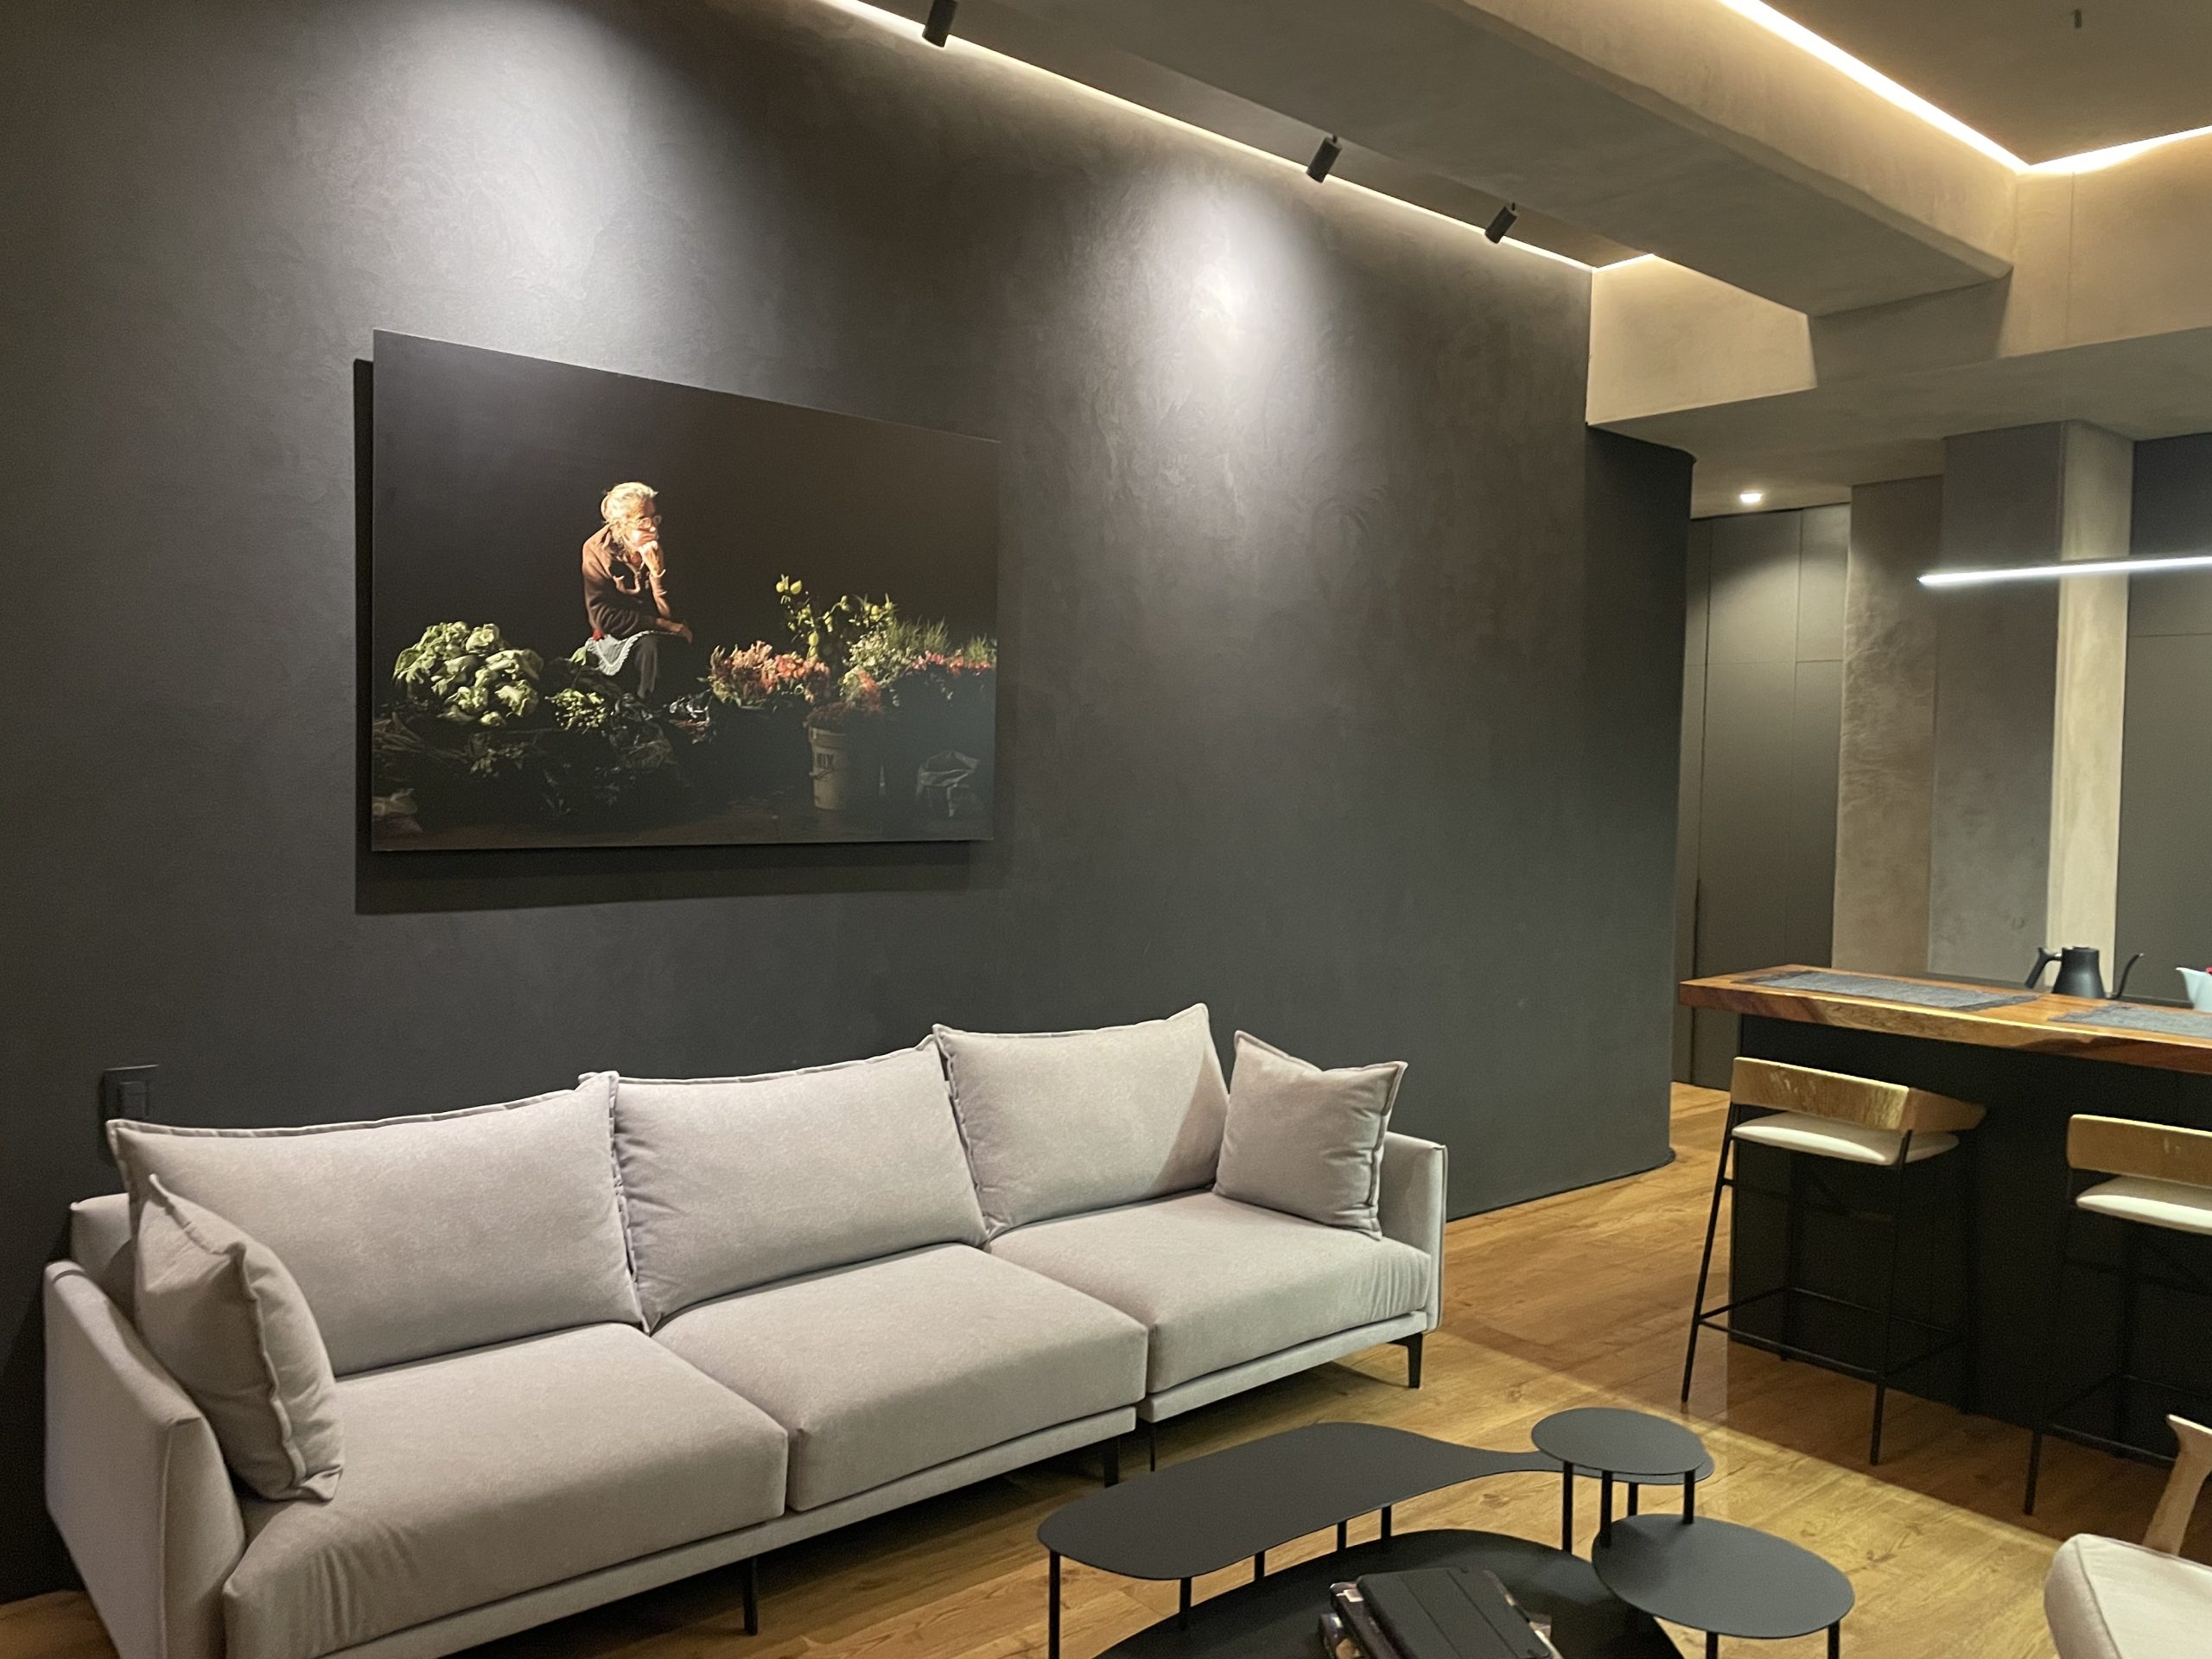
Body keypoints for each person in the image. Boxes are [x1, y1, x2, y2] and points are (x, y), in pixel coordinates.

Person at [579, 481, 694, 701]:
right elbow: (603, 618)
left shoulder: (665, 544)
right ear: (620, 525)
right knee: (649, 647)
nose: (653, 528)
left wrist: (658, 575)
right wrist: (663, 625)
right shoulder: (597, 550)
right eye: (643, 521)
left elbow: (675, 616)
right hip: (619, 635)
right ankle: (646, 710)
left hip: (665, 629)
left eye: (654, 518)